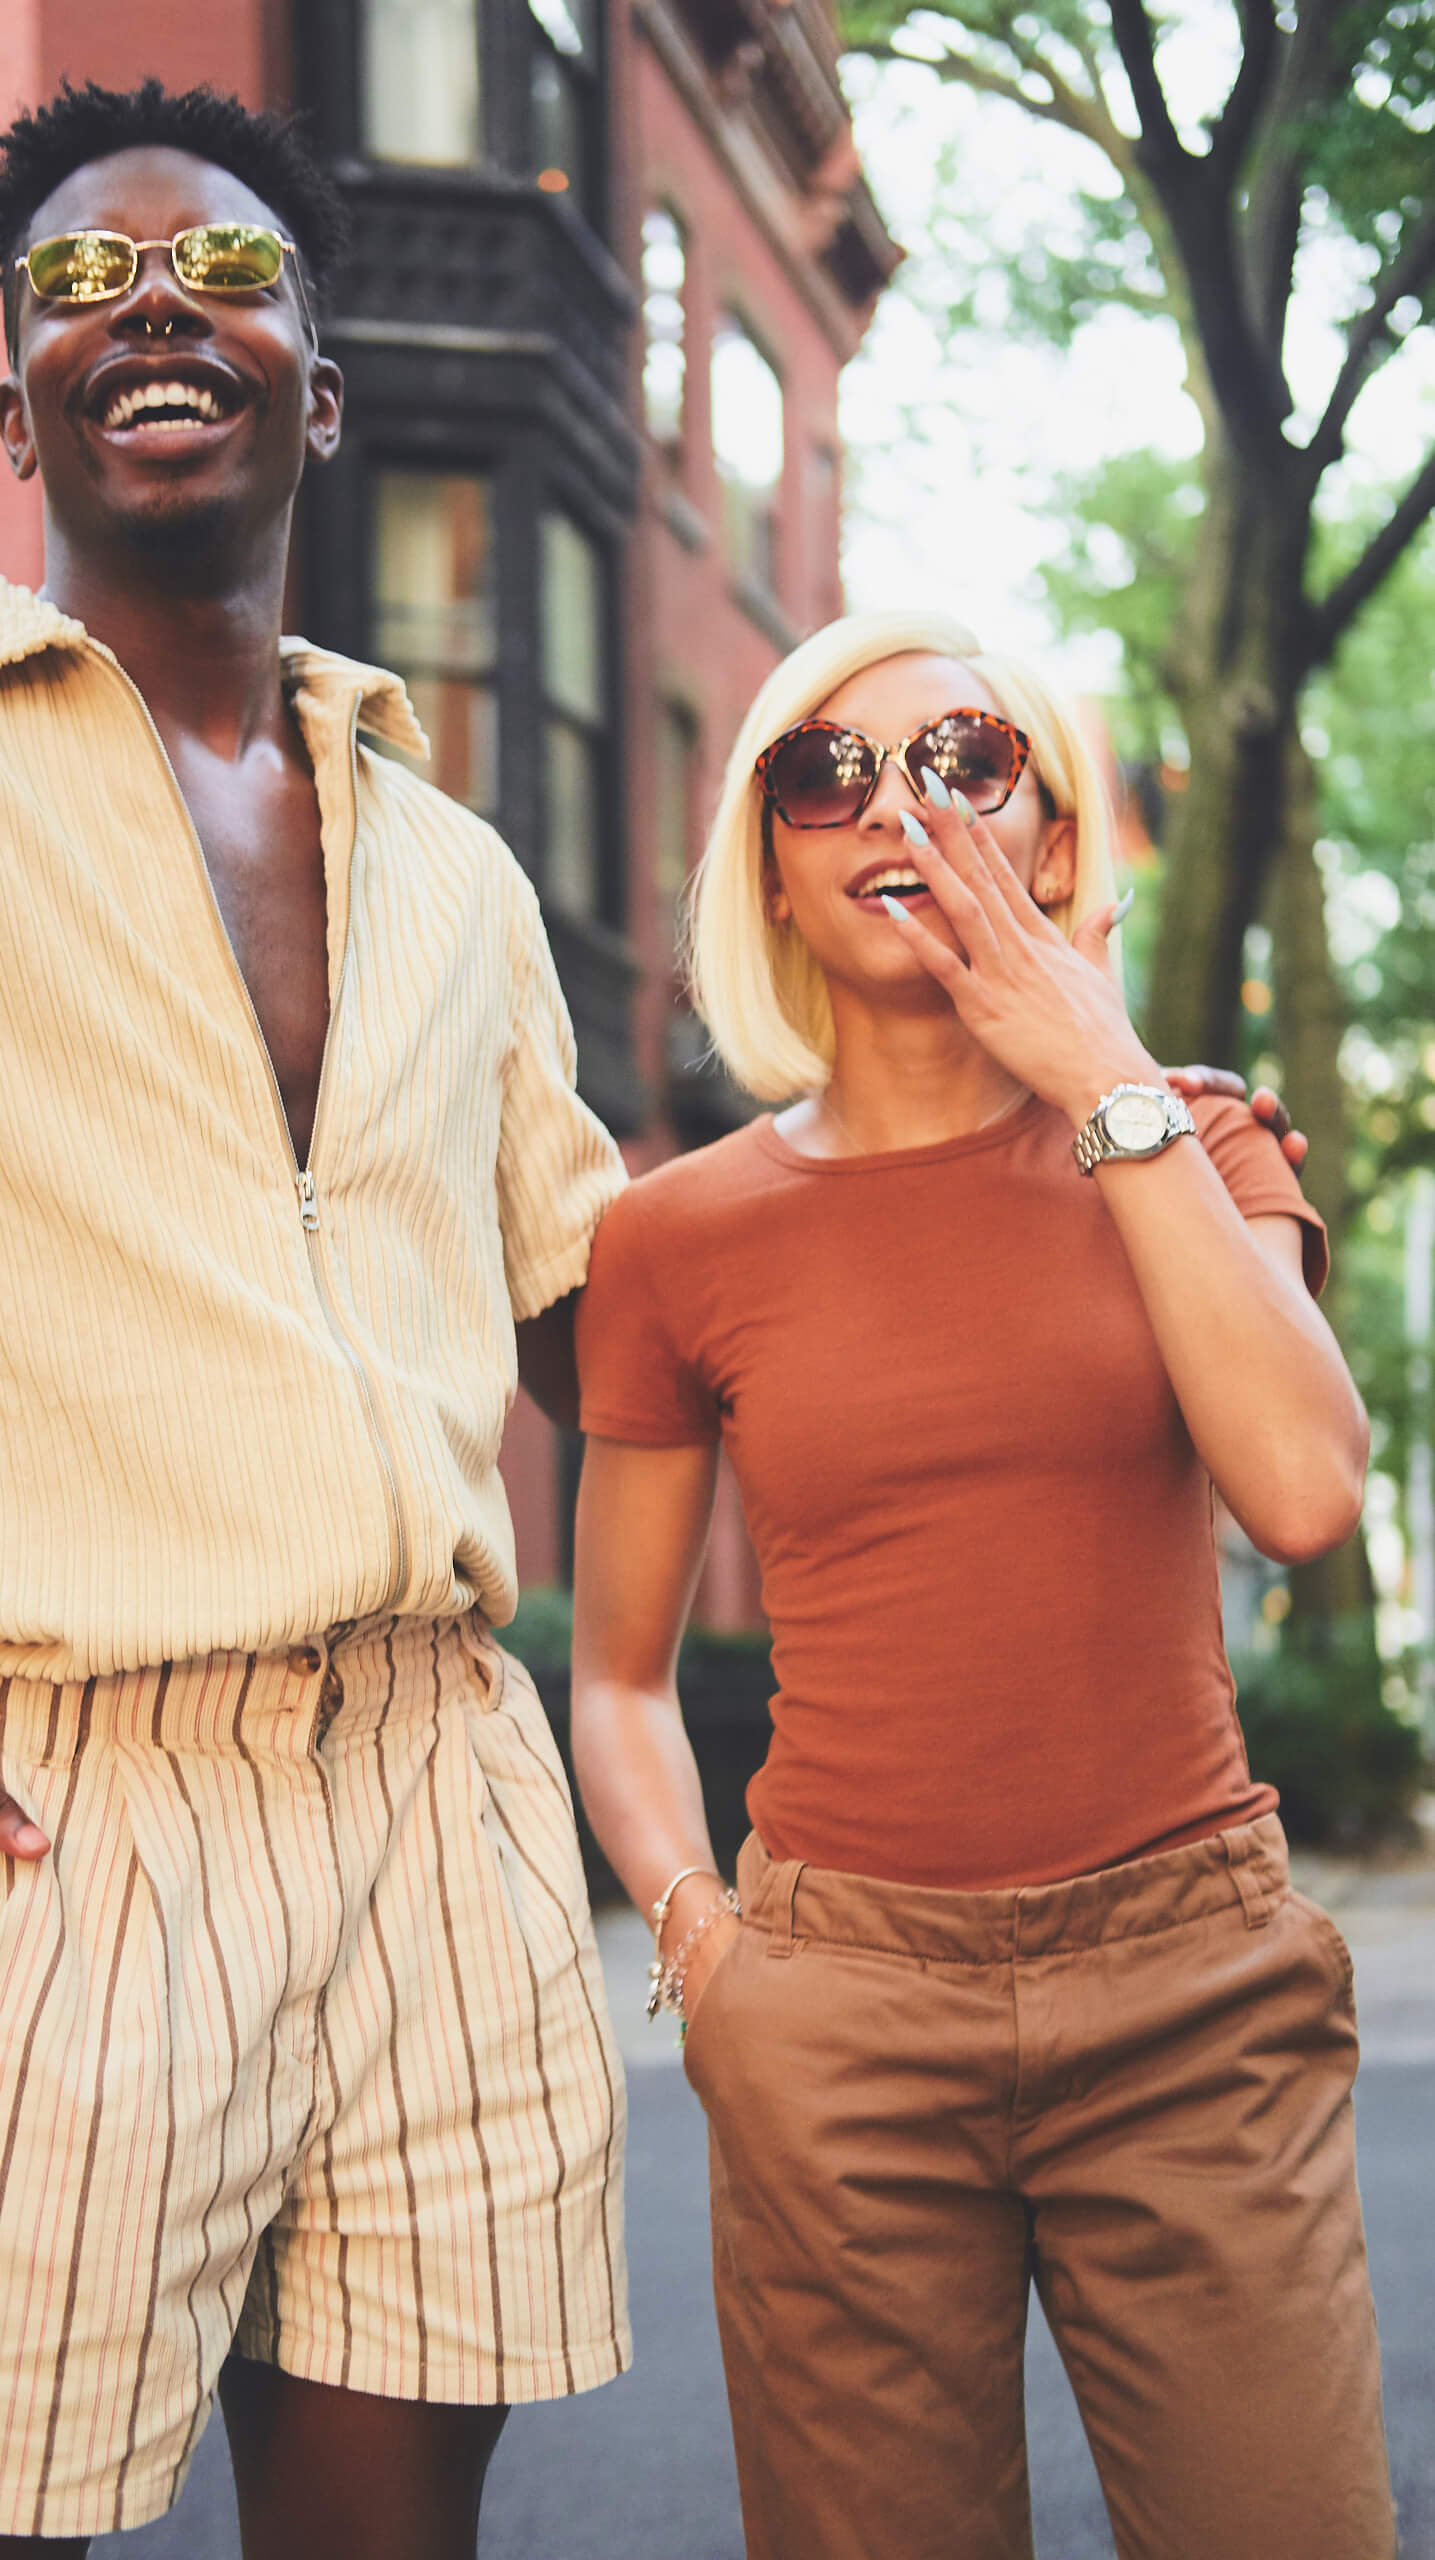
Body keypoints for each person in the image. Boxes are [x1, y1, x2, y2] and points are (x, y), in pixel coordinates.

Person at [0, 80, 631, 2557]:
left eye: (228, 276)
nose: (153, 304)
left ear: (313, 390)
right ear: (17, 388)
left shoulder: (453, 867)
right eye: (84, 282)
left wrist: (1058, 1135)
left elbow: (622, 1318)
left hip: (438, 1795)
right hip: (42, 1808)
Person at [569, 611, 1396, 2560]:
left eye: (960, 757)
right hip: (837, 2010)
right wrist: (709, 1960)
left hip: (1190, 1991)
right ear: (765, 864)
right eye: (821, 770)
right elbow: (612, 1677)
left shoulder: (1186, 1136)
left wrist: (1093, 1068)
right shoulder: (671, 1236)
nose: (890, 801)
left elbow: (1295, 1486)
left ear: (1046, 834)